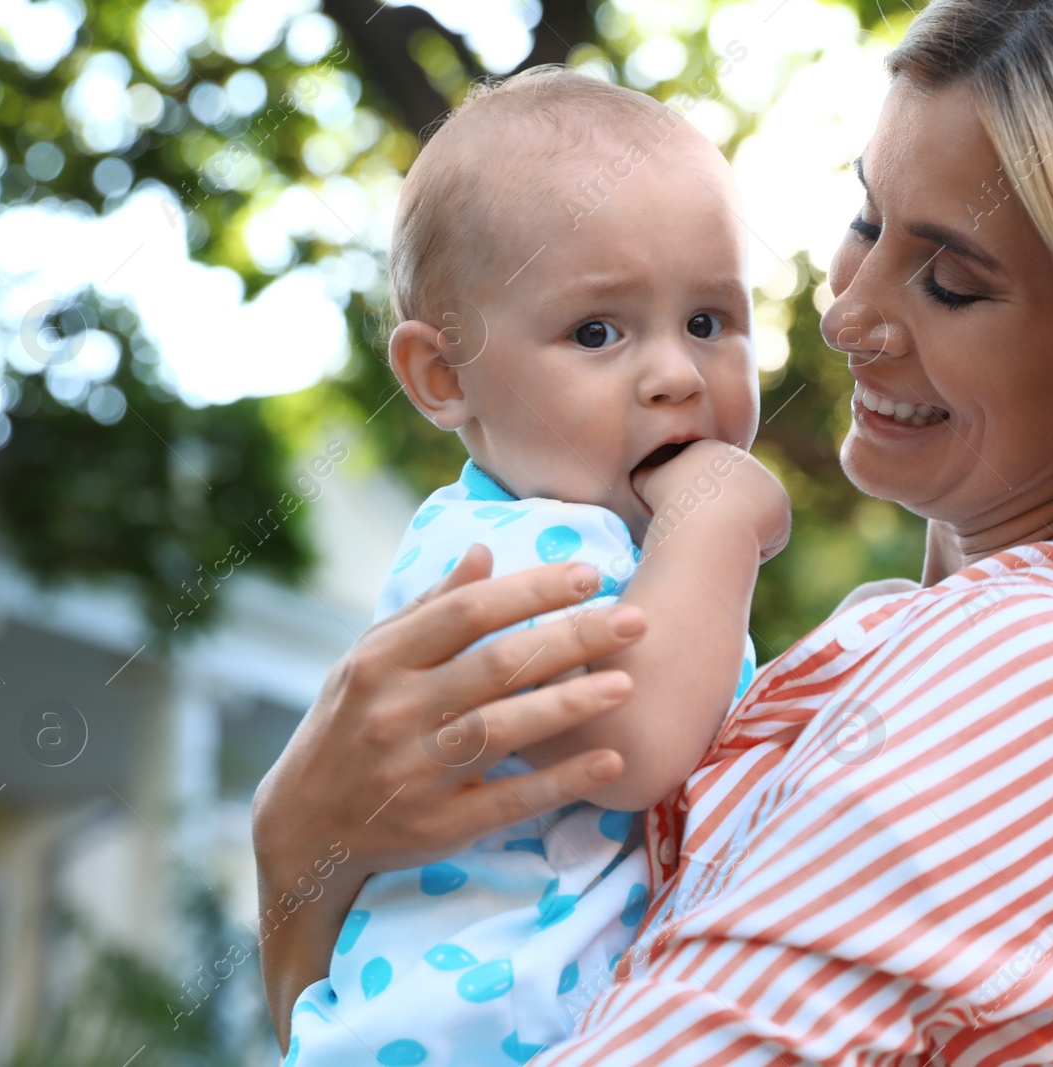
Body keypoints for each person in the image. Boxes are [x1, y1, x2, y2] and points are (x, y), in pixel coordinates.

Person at [254, 0, 1053, 1061]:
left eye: (951, 282)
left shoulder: (1042, 672)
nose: (847, 311)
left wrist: (296, 861)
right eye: (868, 221)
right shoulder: (953, 642)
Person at [282, 68, 792, 1067]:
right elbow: (640, 744)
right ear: (445, 376)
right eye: (596, 331)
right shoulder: (511, 548)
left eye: (708, 321)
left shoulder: (613, 545)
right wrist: (718, 520)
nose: (676, 374)